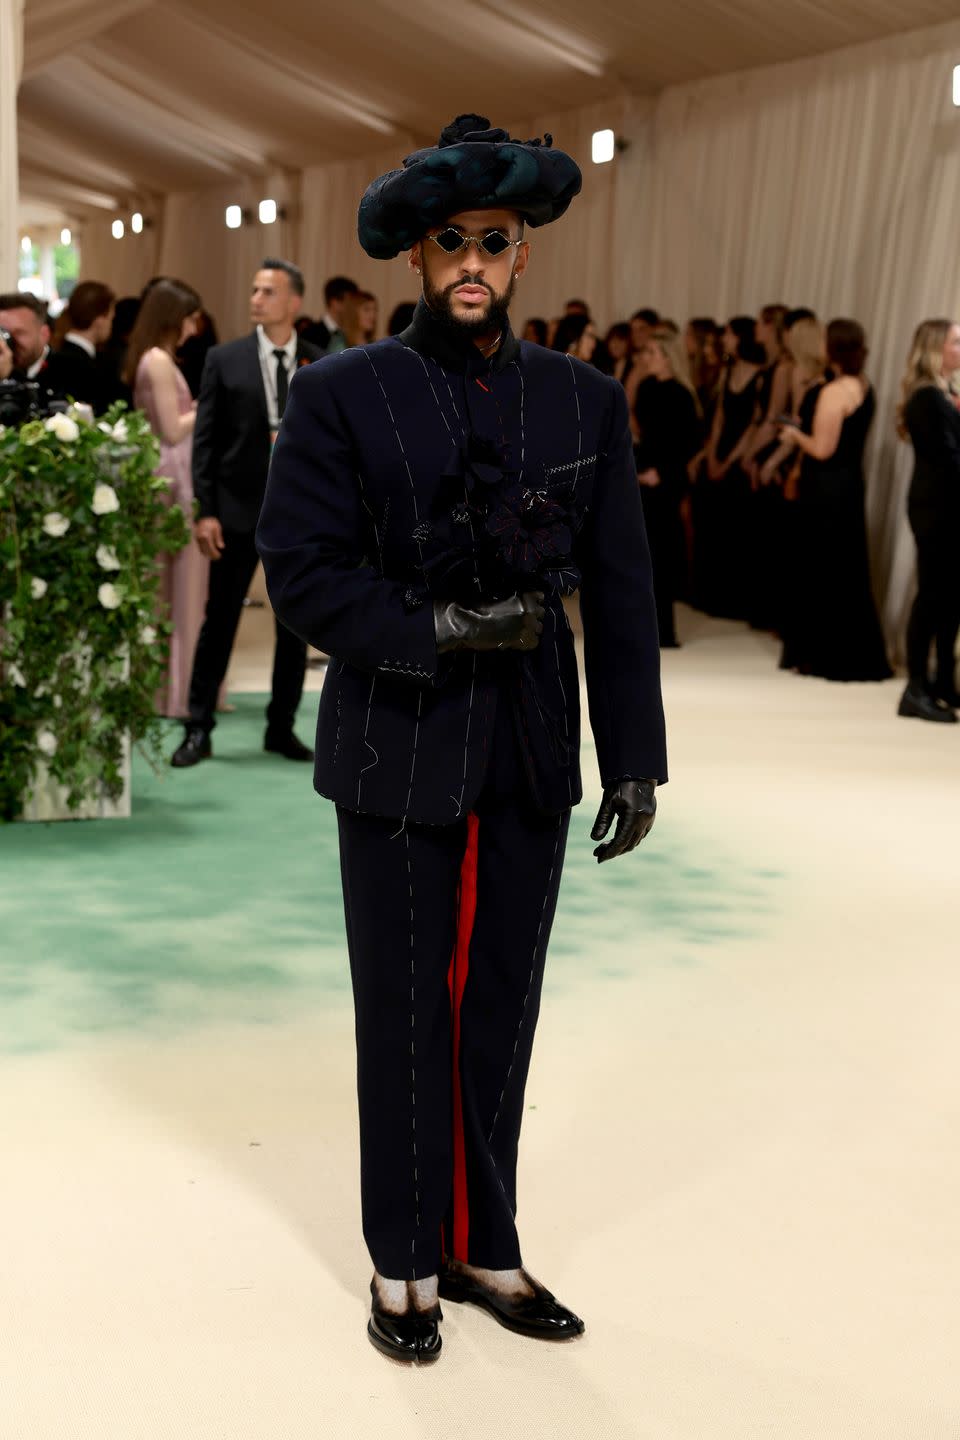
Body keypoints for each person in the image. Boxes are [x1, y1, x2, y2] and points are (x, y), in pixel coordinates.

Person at [257, 112, 666, 1365]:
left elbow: (625, 583)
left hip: (533, 752)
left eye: (495, 239)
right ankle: (402, 1263)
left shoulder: (583, 398)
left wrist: (636, 752)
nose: (474, 259)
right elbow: (302, 570)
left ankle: (487, 1247)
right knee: (404, 1008)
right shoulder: (339, 395)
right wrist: (434, 622)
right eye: (451, 242)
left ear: (523, 254)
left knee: (504, 1002)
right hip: (394, 743)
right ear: (417, 257)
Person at [170, 259, 322, 767]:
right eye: (254, 289)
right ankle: (198, 727)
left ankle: (281, 726)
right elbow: (206, 443)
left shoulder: (320, 364)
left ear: (294, 303)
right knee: (220, 620)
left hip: (298, 518)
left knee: (295, 627)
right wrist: (204, 511)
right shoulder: (225, 359)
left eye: (267, 291)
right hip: (234, 511)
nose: (255, 298)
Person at [775, 319, 891, 682]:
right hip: (848, 487)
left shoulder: (834, 391)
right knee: (845, 570)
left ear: (834, 347)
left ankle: (824, 655)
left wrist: (794, 435)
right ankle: (845, 651)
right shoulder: (863, 385)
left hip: (825, 488)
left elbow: (822, 449)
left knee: (821, 570)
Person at [125, 279, 207, 718]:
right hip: (172, 478)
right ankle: (177, 693)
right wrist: (207, 405)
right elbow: (172, 429)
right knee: (178, 586)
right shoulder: (157, 361)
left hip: (169, 473)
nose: (196, 325)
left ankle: (176, 689)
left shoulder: (155, 358)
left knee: (175, 586)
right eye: (192, 316)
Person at [895, 318, 960, 721]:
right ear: (936, 348)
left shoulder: (945, 394)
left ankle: (943, 683)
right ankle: (915, 687)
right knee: (933, 596)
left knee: (951, 598)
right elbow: (947, 459)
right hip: (936, 508)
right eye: (957, 341)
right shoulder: (925, 398)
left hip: (949, 506)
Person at [634, 326, 704, 646]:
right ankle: (642, 626)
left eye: (651, 353)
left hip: (667, 478)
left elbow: (687, 445)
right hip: (644, 472)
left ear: (667, 359)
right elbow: (642, 432)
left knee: (662, 553)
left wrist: (661, 473)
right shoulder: (648, 387)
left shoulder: (680, 395)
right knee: (643, 553)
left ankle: (665, 631)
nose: (644, 358)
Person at [697, 316, 765, 617]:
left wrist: (729, 461)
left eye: (728, 334)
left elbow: (753, 425)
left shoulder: (760, 375)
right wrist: (712, 455)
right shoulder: (729, 371)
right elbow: (720, 418)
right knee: (715, 526)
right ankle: (713, 596)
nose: (724, 339)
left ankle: (737, 602)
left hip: (739, 455)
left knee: (738, 529)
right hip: (721, 450)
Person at [56, 281, 116, 413]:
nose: (111, 325)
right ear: (99, 319)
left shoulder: (57, 353)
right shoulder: (87, 366)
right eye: (111, 318)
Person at [0, 293, 67, 402]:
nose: (9, 339)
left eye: (18, 333)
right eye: (3, 332)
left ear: (44, 334)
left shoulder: (71, 370)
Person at [302, 276, 358, 354]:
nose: (354, 308)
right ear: (335, 303)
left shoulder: (352, 335)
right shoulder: (310, 335)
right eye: (350, 303)